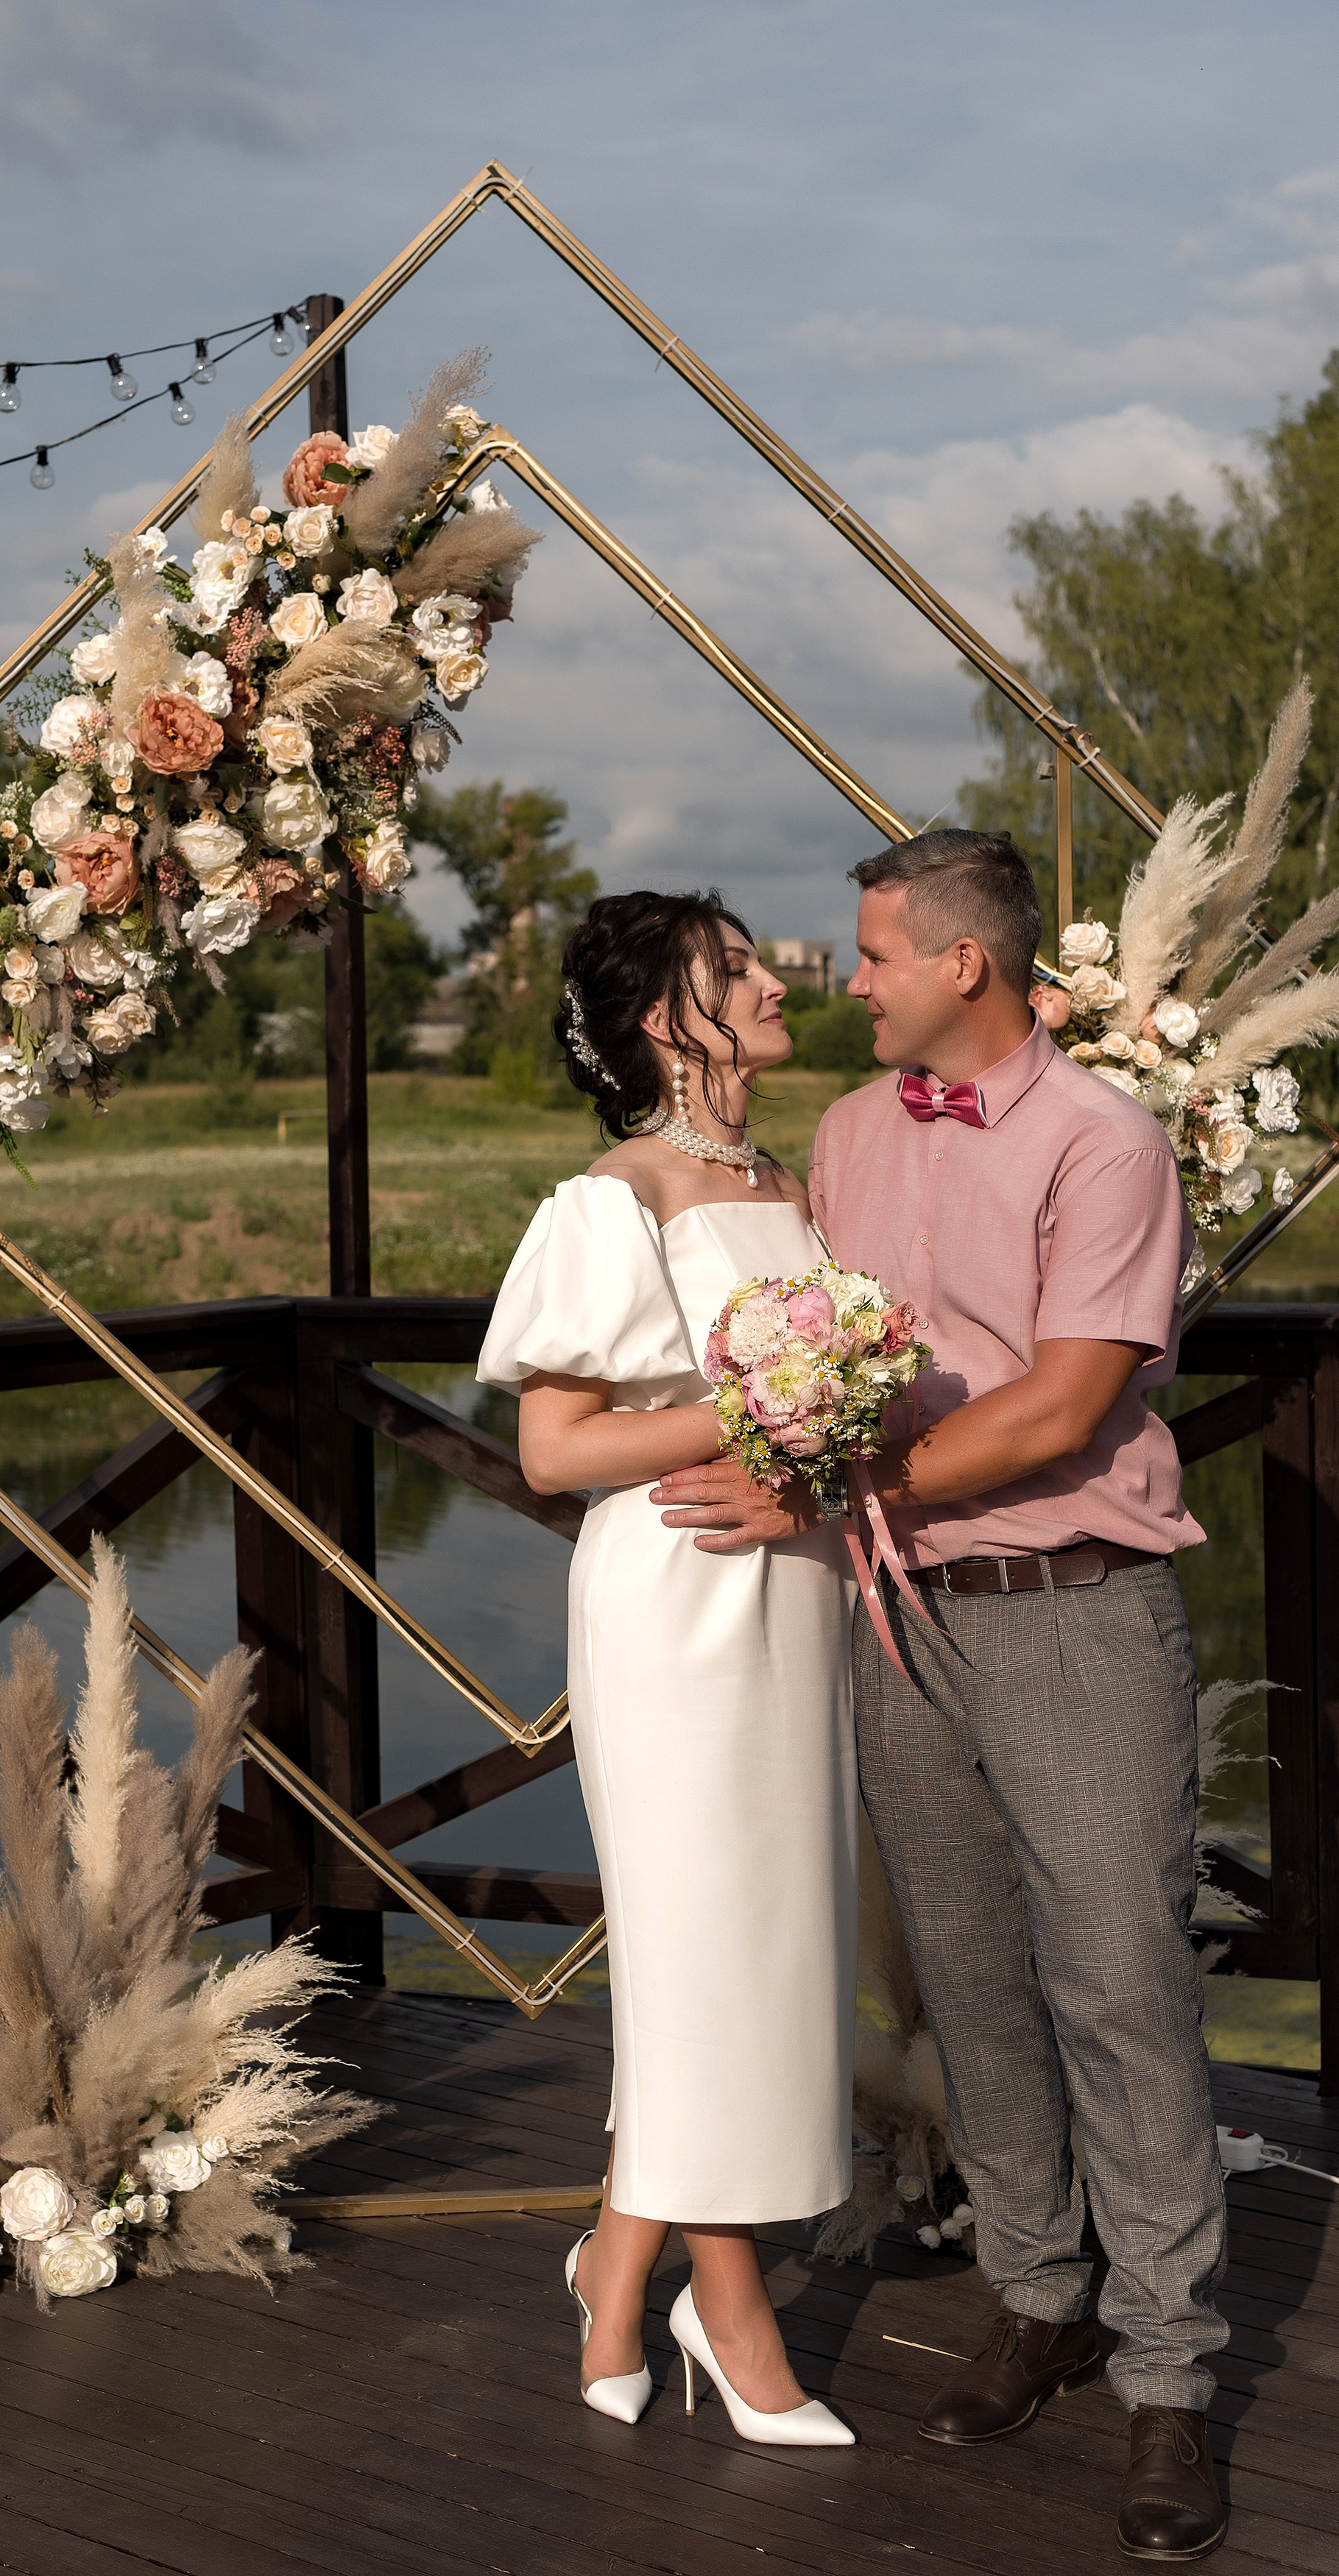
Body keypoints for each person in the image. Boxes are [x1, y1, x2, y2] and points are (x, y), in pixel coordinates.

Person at [654, 830, 1228, 2563]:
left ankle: (1172, 2376)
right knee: (972, 1981)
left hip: (1073, 1612)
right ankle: (1036, 2297)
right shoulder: (841, 1137)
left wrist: (828, 1496)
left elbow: (1060, 1413)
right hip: (900, 1628)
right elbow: (804, 1352)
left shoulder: (1103, 1143)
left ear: (963, 965)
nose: (850, 978)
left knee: (1120, 1989)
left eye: (875, 952)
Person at [476, 891, 856, 2449]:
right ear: (664, 1022)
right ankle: (731, 2299)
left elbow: (845, 1401)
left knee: (771, 1947)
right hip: (673, 1605)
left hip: (800, 1595)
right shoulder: (610, 1199)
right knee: (701, 1947)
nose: (775, 982)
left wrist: (820, 1424)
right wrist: (761, 1399)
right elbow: (554, 1447)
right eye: (738, 968)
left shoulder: (798, 1181)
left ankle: (612, 2273)